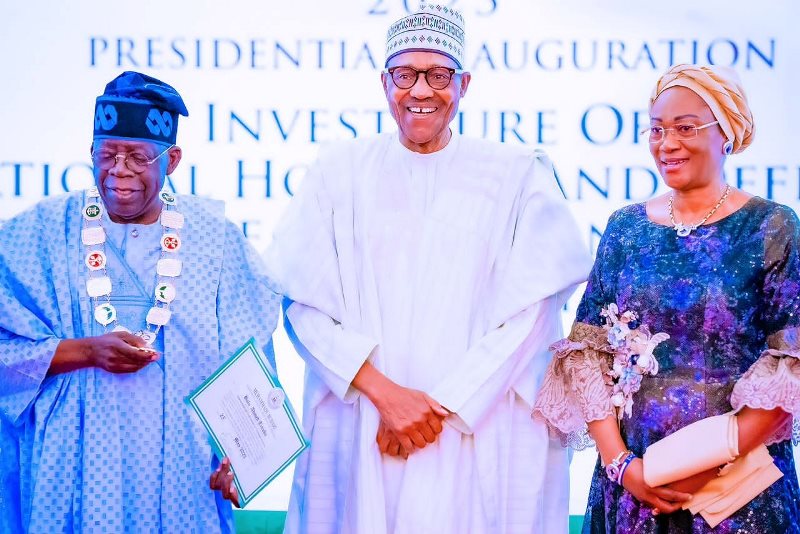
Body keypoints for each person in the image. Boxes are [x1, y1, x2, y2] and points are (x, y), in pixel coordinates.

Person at [263, 4, 591, 533]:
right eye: (405, 75)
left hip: (476, 429)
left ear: (463, 84)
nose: (420, 91)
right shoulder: (337, 172)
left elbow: (532, 314)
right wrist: (384, 396)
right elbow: (303, 305)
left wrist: (438, 406)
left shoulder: (516, 177)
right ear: (384, 83)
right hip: (364, 419)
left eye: (438, 76)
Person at [0, 71, 280, 532]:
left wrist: (243, 456)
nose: (119, 170)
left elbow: (249, 356)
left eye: (137, 156)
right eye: (107, 154)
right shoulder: (42, 232)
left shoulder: (216, 239)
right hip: (68, 463)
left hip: (182, 470)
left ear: (171, 160)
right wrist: (86, 351)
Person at [534, 63, 800, 532]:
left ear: (727, 133)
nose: (667, 143)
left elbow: (791, 363)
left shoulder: (772, 226)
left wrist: (696, 469)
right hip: (633, 489)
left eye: (685, 128)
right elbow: (587, 356)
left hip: (738, 491)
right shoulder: (626, 228)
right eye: (656, 130)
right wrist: (624, 467)